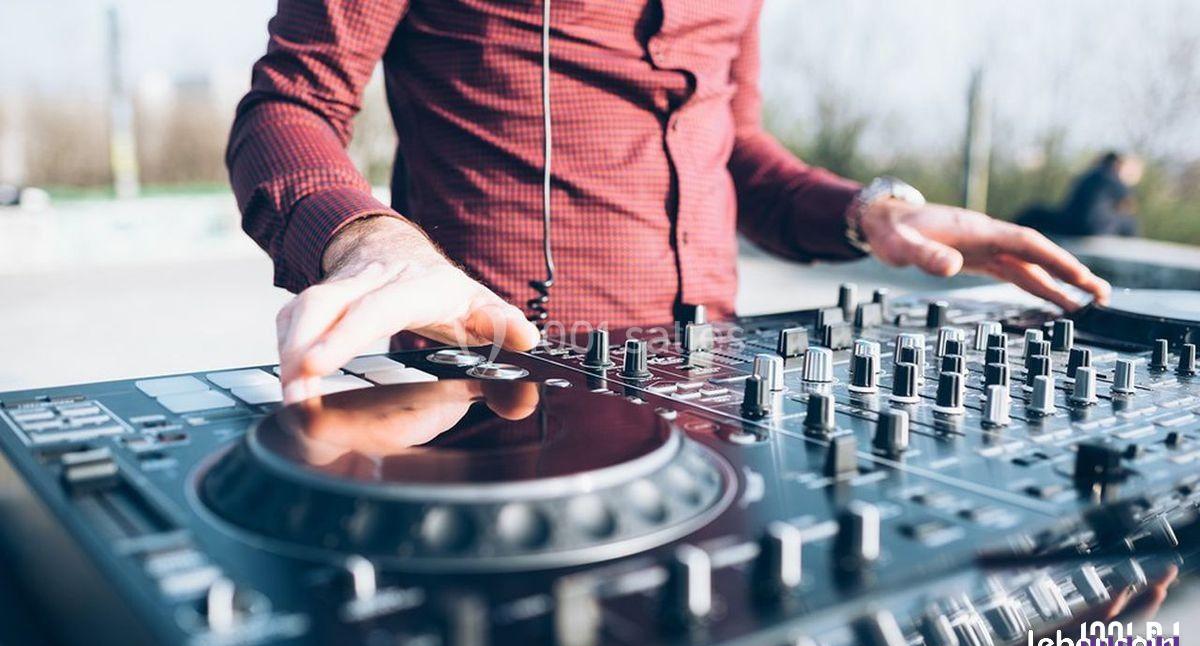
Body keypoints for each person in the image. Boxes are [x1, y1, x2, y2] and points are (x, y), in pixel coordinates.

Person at [227, 1, 1111, 403]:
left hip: (715, 397)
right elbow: (289, 105)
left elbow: (741, 158)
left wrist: (872, 210)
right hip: (495, 395)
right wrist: (376, 244)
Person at [1018, 151, 1144, 238]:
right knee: (1129, 220)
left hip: (1071, 224)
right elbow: (1128, 207)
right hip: (1092, 229)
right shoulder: (1114, 179)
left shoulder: (1090, 175)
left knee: (1034, 211)